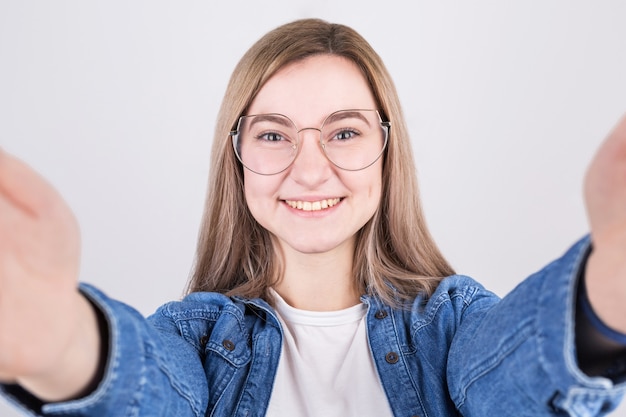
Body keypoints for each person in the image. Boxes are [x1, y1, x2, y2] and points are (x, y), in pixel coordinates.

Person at [0, 17, 625, 416]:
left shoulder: (452, 324)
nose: (309, 170)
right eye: (274, 136)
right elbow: (148, 390)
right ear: (237, 157)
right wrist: (62, 345)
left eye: (344, 133)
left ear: (387, 151)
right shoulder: (193, 338)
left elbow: (514, 376)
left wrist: (611, 288)